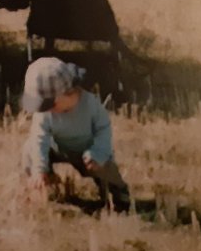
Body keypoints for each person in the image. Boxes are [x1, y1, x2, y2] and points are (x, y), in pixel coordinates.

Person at [21, 56, 132, 209]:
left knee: (105, 167)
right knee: (29, 149)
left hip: (88, 150)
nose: (45, 110)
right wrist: (40, 170)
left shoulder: (90, 104)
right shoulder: (44, 113)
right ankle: (45, 185)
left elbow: (103, 128)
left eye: (48, 104)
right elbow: (39, 138)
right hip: (56, 147)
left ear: (68, 92)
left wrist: (99, 152)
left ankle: (118, 192)